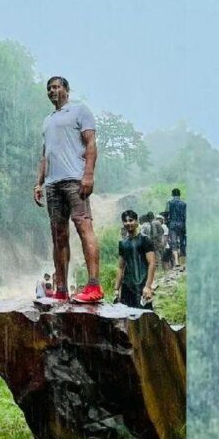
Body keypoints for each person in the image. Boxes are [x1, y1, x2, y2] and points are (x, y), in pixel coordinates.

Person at [32, 76, 103, 302]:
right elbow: (45, 155)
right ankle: (61, 289)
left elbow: (91, 143)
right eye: (49, 88)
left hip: (74, 179)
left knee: (84, 227)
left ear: (67, 90)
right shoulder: (47, 121)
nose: (53, 91)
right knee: (58, 235)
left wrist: (88, 175)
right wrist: (39, 182)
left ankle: (94, 286)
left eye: (57, 87)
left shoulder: (79, 111)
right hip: (52, 184)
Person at [113, 210, 157, 309]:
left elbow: (152, 263)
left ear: (137, 221)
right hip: (127, 285)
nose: (128, 223)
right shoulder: (123, 243)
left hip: (142, 284)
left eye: (131, 220)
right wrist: (116, 289)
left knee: (144, 315)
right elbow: (120, 267)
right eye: (125, 221)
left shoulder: (145, 240)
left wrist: (148, 286)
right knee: (127, 316)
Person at [166, 188, 187, 264]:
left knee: (174, 242)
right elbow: (186, 215)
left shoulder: (169, 203)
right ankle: (183, 262)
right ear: (179, 194)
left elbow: (166, 213)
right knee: (182, 242)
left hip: (172, 224)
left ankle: (177, 261)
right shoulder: (184, 204)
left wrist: (167, 222)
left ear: (172, 194)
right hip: (182, 224)